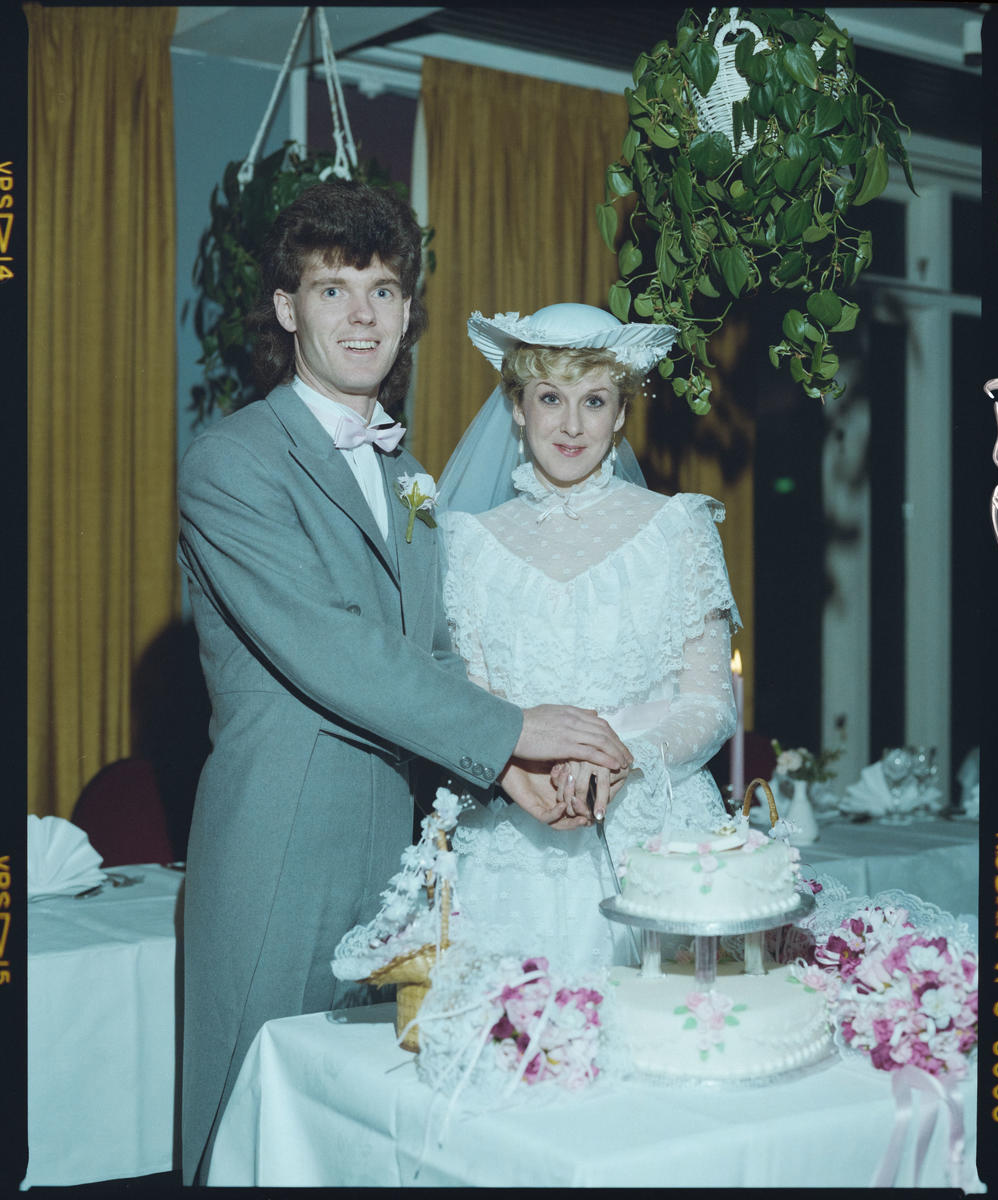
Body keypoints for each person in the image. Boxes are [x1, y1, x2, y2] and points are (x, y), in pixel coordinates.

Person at [176, 185, 631, 1184]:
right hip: (277, 843)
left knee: (355, 1136)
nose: (362, 317)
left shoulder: (408, 478)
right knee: (246, 1129)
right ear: (287, 308)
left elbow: (427, 653)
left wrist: (505, 774)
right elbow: (335, 650)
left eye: (382, 291)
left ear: (407, 311)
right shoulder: (232, 461)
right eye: (331, 290)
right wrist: (514, 728)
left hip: (400, 851)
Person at [439, 302, 742, 972]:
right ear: (517, 408)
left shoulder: (679, 528)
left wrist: (626, 758)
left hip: (657, 834)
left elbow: (710, 705)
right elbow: (469, 701)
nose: (572, 425)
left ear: (621, 413)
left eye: (594, 401)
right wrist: (517, 768)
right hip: (516, 839)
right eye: (551, 398)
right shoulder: (467, 544)